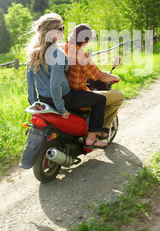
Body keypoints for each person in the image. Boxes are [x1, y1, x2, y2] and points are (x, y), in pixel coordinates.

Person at [26, 13, 108, 149]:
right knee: (100, 100)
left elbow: (30, 81)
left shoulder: (33, 52)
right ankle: (92, 139)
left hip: (43, 99)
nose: (64, 30)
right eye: (61, 28)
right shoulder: (57, 54)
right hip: (64, 97)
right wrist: (61, 108)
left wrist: (34, 102)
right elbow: (55, 84)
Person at [63, 24, 124, 130]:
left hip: (64, 93)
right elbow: (100, 76)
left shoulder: (62, 48)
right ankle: (101, 130)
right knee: (119, 96)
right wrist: (116, 77)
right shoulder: (81, 56)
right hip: (78, 97)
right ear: (85, 41)